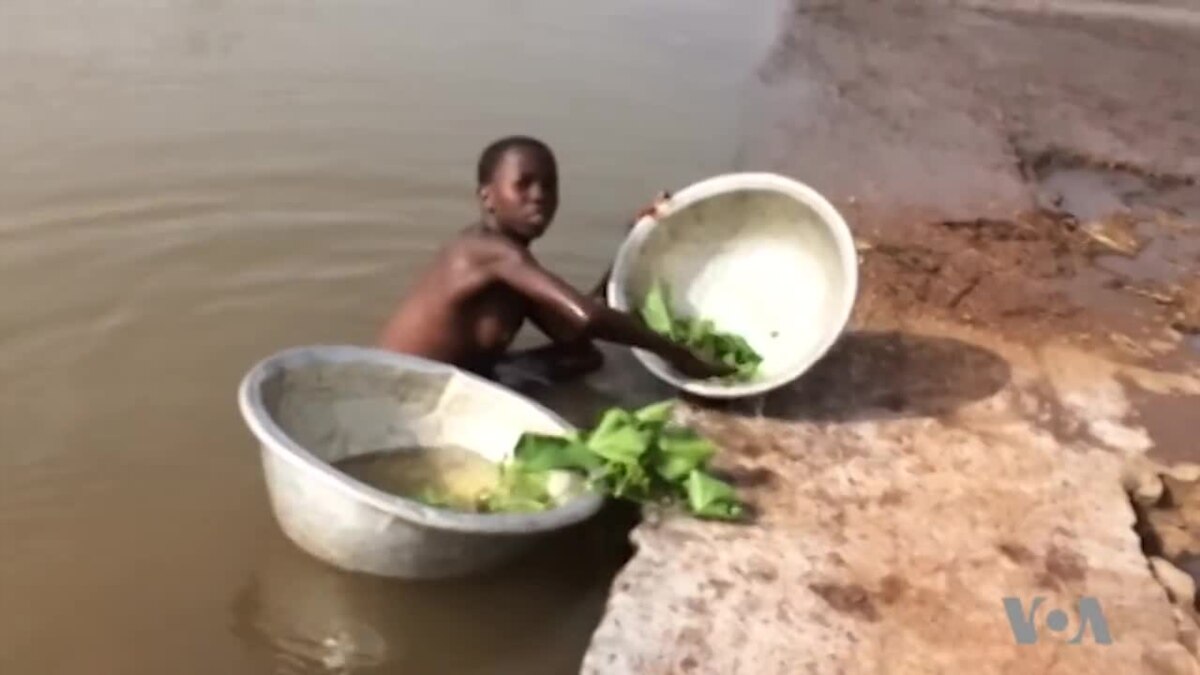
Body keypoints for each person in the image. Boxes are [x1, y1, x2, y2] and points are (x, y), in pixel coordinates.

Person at [377, 135, 732, 382]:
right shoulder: (485, 251)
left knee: (583, 359)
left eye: (549, 185)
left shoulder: (514, 269)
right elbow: (589, 317)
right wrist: (677, 353)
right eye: (524, 184)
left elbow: (574, 325)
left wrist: (633, 241)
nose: (539, 196)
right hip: (396, 387)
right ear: (487, 197)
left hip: (455, 381)